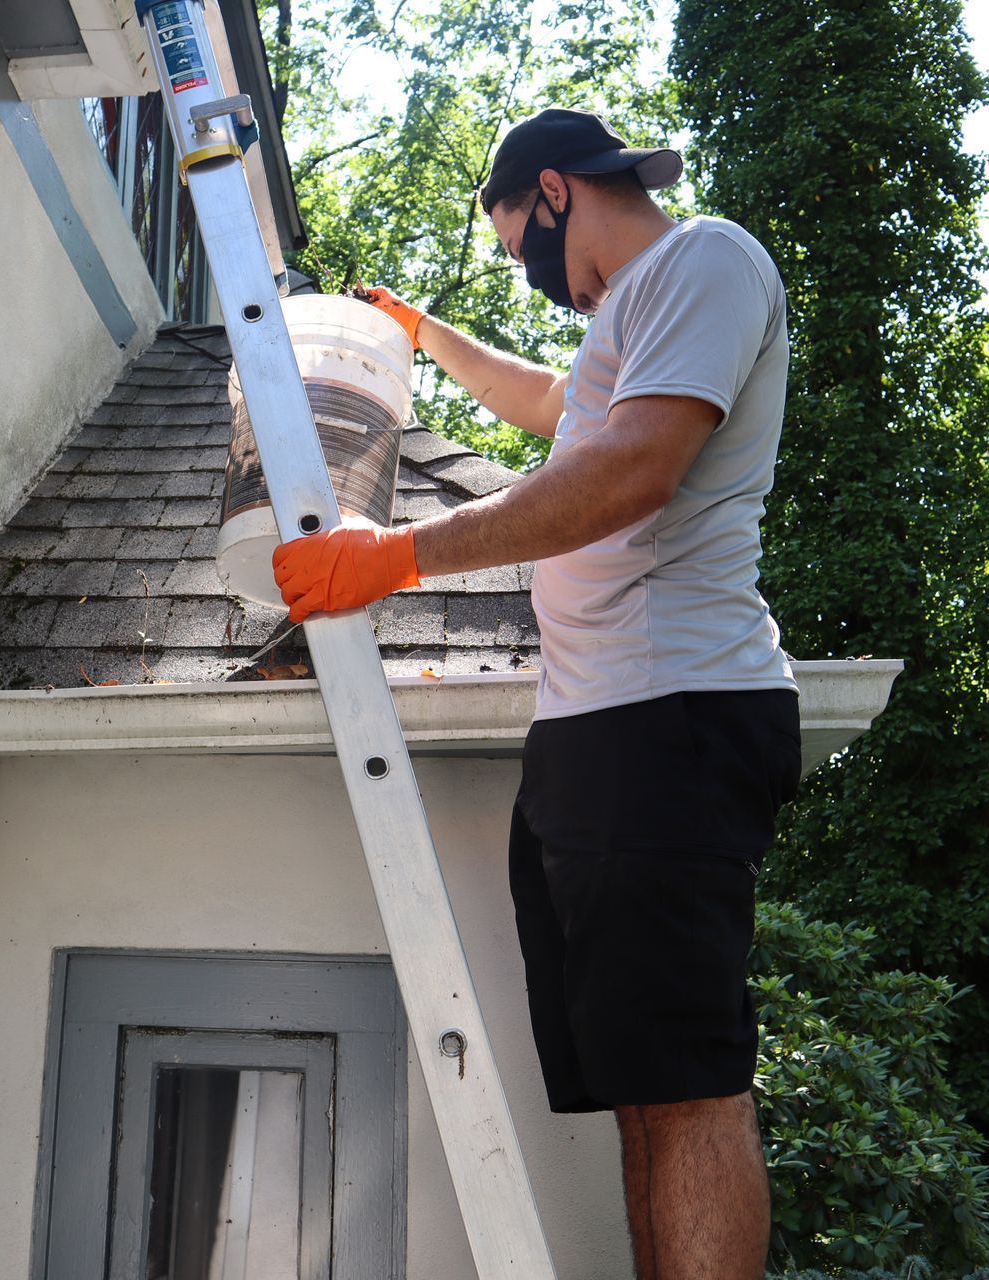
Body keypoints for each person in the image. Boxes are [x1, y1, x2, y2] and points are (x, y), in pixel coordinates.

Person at [272, 107, 801, 1280]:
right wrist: (423, 331)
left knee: (691, 1081)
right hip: (598, 734)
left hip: (671, 716)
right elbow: (552, 411)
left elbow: (629, 468)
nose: (530, 274)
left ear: (557, 192)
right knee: (638, 1090)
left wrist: (397, 556)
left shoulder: (701, 259)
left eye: (520, 245)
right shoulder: (628, 322)